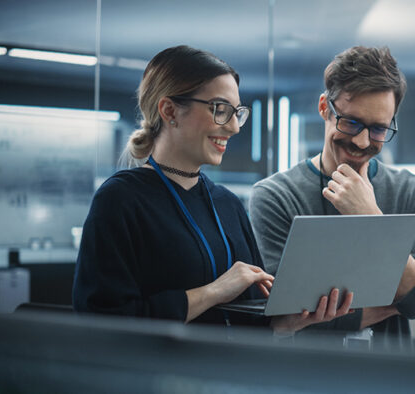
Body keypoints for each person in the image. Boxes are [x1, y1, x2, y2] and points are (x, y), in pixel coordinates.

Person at [73, 45, 352, 331]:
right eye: (220, 110)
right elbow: (102, 322)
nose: (233, 127)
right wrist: (213, 292)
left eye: (237, 113)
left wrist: (287, 321)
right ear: (170, 110)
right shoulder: (120, 200)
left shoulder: (227, 204)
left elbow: (251, 321)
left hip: (228, 373)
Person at [249, 46, 415, 337]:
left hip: (387, 377)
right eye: (351, 122)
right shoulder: (274, 195)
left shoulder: (412, 192)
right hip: (307, 374)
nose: (363, 142)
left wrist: (371, 217)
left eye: (378, 129)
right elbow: (283, 312)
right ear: (325, 107)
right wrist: (390, 303)